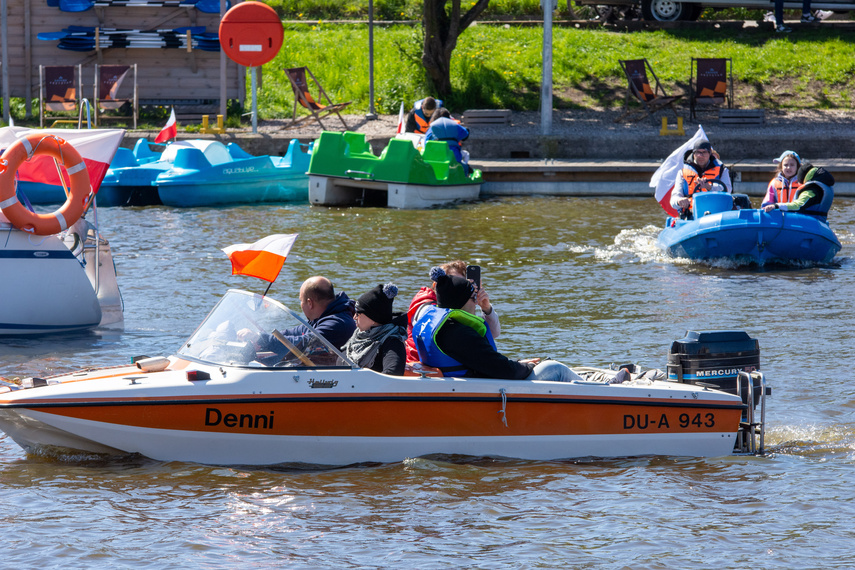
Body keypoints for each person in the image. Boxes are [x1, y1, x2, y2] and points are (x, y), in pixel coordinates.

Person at [412, 268, 582, 382]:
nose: (475, 303)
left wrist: (517, 363)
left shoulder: (437, 325)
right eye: (473, 299)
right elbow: (504, 370)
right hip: (482, 388)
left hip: (467, 381)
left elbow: (483, 361)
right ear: (460, 302)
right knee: (554, 368)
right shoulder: (460, 334)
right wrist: (529, 366)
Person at [405, 260, 500, 363]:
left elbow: (492, 334)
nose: (457, 285)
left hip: (445, 362)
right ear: (435, 284)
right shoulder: (424, 302)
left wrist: (486, 308)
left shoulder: (462, 303)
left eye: (463, 283)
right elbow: (449, 331)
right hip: (418, 365)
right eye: (451, 280)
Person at [243, 276, 356, 358]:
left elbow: (304, 343)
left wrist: (263, 339)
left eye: (301, 301)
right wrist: (261, 338)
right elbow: (293, 332)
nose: (301, 305)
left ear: (310, 303)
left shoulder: (337, 323)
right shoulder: (323, 317)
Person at [339, 283, 406, 375]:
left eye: (358, 313)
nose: (354, 317)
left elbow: (393, 373)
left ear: (373, 319)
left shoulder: (393, 343)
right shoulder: (357, 337)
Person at [670, 139, 732, 219]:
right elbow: (674, 198)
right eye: (698, 152)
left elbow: (728, 189)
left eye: (704, 152)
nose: (700, 155)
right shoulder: (682, 172)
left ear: (710, 154)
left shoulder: (722, 170)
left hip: (717, 212)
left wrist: (709, 187)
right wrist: (679, 201)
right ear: (693, 154)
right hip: (692, 215)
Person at [763, 162, 835, 219]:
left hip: (810, 224)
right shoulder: (821, 185)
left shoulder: (810, 190)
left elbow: (798, 205)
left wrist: (776, 206)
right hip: (817, 223)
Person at [425, 110, 471, 175]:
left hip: (434, 163)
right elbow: (466, 134)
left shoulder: (431, 129)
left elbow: (426, 145)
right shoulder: (455, 126)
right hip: (454, 162)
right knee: (466, 168)